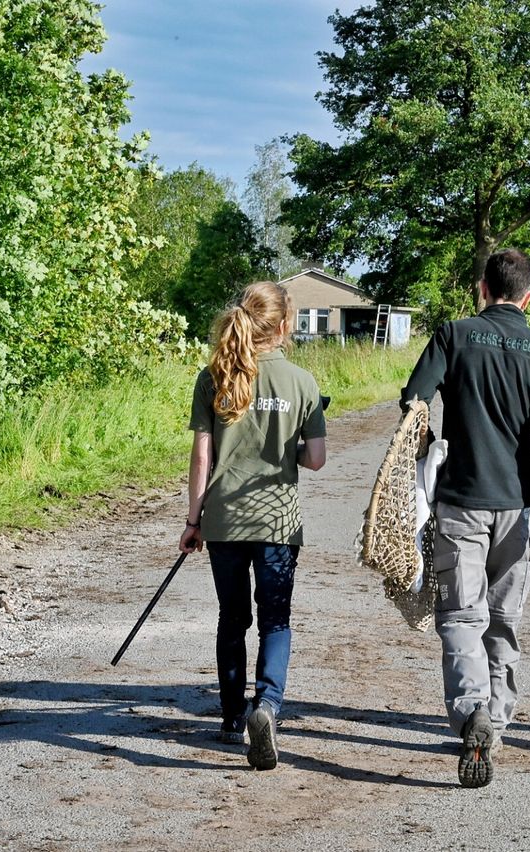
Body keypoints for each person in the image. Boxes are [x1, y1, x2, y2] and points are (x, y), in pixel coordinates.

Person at [401, 248, 530, 789]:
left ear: (482, 288)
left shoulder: (453, 336)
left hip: (460, 500)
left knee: (460, 616)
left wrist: (429, 447)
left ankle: (471, 709)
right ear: (528, 297)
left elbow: (413, 399)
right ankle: (495, 725)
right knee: (502, 618)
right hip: (518, 505)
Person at [179, 281, 327, 771]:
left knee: (232, 618)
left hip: (222, 522)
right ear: (284, 326)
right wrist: (289, 447)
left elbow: (202, 457)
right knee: (275, 620)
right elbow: (318, 459)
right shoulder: (303, 383)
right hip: (277, 523)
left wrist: (193, 519)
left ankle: (229, 716)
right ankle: (267, 706)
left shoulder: (214, 376)